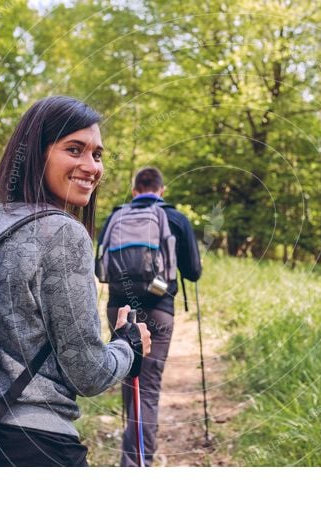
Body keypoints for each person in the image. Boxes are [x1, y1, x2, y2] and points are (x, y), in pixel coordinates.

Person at [0, 95, 151, 466]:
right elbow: (90, 374)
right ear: (35, 153)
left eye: (97, 154)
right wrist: (129, 346)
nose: (91, 166)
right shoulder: (62, 232)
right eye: (74, 149)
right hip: (35, 446)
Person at [97, 166, 202, 467]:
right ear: (161, 190)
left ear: (134, 191)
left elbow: (101, 266)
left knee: (130, 379)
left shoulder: (116, 216)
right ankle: (136, 464)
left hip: (120, 310)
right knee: (150, 387)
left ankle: (130, 459)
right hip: (158, 308)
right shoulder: (175, 217)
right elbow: (193, 273)